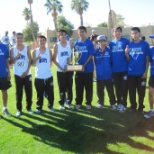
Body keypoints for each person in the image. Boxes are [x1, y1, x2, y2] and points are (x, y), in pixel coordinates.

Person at [125, 27, 149, 113]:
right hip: (131, 72)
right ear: (131, 35)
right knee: (132, 92)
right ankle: (133, 107)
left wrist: (146, 72)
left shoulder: (145, 44)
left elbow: (147, 60)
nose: (134, 35)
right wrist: (126, 53)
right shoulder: (129, 45)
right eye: (133, 33)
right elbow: (128, 60)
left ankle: (141, 107)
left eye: (136, 33)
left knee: (141, 92)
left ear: (139, 33)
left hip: (141, 73)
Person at [10, 33, 33, 117]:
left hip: (27, 74)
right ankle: (19, 110)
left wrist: (27, 71)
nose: (19, 39)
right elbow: (11, 62)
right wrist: (16, 56)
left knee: (29, 92)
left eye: (21, 38)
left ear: (23, 39)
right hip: (17, 74)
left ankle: (29, 108)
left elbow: (30, 61)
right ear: (15, 39)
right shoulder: (12, 49)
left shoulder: (27, 48)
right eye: (18, 38)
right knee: (19, 93)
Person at [109, 26, 129, 112]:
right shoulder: (111, 43)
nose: (117, 33)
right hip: (115, 70)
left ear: (121, 32)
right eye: (115, 31)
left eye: (119, 31)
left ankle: (124, 104)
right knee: (117, 87)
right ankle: (119, 103)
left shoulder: (125, 41)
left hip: (124, 69)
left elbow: (128, 55)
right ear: (113, 33)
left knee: (124, 87)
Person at [33, 35, 55, 114]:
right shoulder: (35, 51)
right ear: (38, 42)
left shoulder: (49, 51)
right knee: (39, 94)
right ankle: (39, 108)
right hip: (39, 77)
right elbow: (33, 63)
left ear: (45, 41)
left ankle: (50, 106)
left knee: (51, 93)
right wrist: (36, 58)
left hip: (48, 76)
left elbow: (51, 61)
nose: (42, 42)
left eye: (43, 40)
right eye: (40, 40)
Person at [52, 29, 74, 110]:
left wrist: (69, 63)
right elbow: (53, 59)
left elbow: (71, 56)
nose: (64, 36)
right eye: (62, 35)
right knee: (62, 87)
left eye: (65, 35)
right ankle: (61, 103)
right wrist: (61, 68)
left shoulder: (70, 44)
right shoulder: (56, 45)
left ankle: (69, 102)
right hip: (60, 70)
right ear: (59, 36)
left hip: (69, 69)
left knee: (70, 86)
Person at [74, 26, 94, 110]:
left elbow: (91, 55)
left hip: (88, 69)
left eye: (83, 31)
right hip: (79, 69)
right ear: (78, 33)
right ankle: (78, 102)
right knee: (78, 87)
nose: (81, 33)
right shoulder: (76, 43)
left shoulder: (89, 43)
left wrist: (84, 65)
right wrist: (76, 65)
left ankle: (88, 103)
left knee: (88, 88)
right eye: (80, 32)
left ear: (86, 32)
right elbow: (76, 56)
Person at [94, 35, 116, 109]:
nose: (101, 42)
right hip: (99, 75)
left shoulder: (109, 51)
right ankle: (101, 102)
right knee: (100, 90)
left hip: (108, 75)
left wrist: (112, 73)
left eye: (103, 41)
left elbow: (112, 62)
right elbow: (94, 63)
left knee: (110, 90)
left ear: (105, 42)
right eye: (100, 41)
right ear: (98, 42)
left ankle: (112, 103)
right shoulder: (96, 52)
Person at [0, 43, 11, 117]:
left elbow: (7, 60)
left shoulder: (4, 47)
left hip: (3, 74)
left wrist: (9, 72)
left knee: (4, 92)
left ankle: (5, 108)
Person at [144, 42, 154, 118]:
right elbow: (149, 61)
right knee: (150, 92)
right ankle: (151, 110)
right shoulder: (151, 50)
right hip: (153, 75)